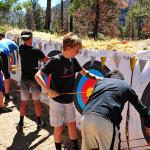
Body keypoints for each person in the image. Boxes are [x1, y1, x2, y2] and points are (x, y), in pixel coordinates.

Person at [35, 32, 102, 150]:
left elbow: (84, 72)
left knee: (72, 124)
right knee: (59, 127)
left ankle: (75, 147)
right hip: (57, 101)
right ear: (68, 48)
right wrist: (48, 90)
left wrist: (97, 78)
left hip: (69, 101)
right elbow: (37, 75)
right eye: (76, 50)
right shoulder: (55, 60)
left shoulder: (73, 60)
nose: (78, 52)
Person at [80, 69, 150, 150]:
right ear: (121, 79)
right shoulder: (125, 86)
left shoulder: (100, 82)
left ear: (108, 77)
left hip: (85, 118)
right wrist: (148, 125)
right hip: (105, 120)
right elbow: (142, 108)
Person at [17, 31, 49, 131]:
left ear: (23, 39)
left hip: (24, 79)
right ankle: (39, 122)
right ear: (31, 38)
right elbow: (45, 60)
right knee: (36, 101)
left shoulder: (21, 48)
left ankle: (21, 123)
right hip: (35, 79)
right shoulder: (36, 50)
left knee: (23, 101)